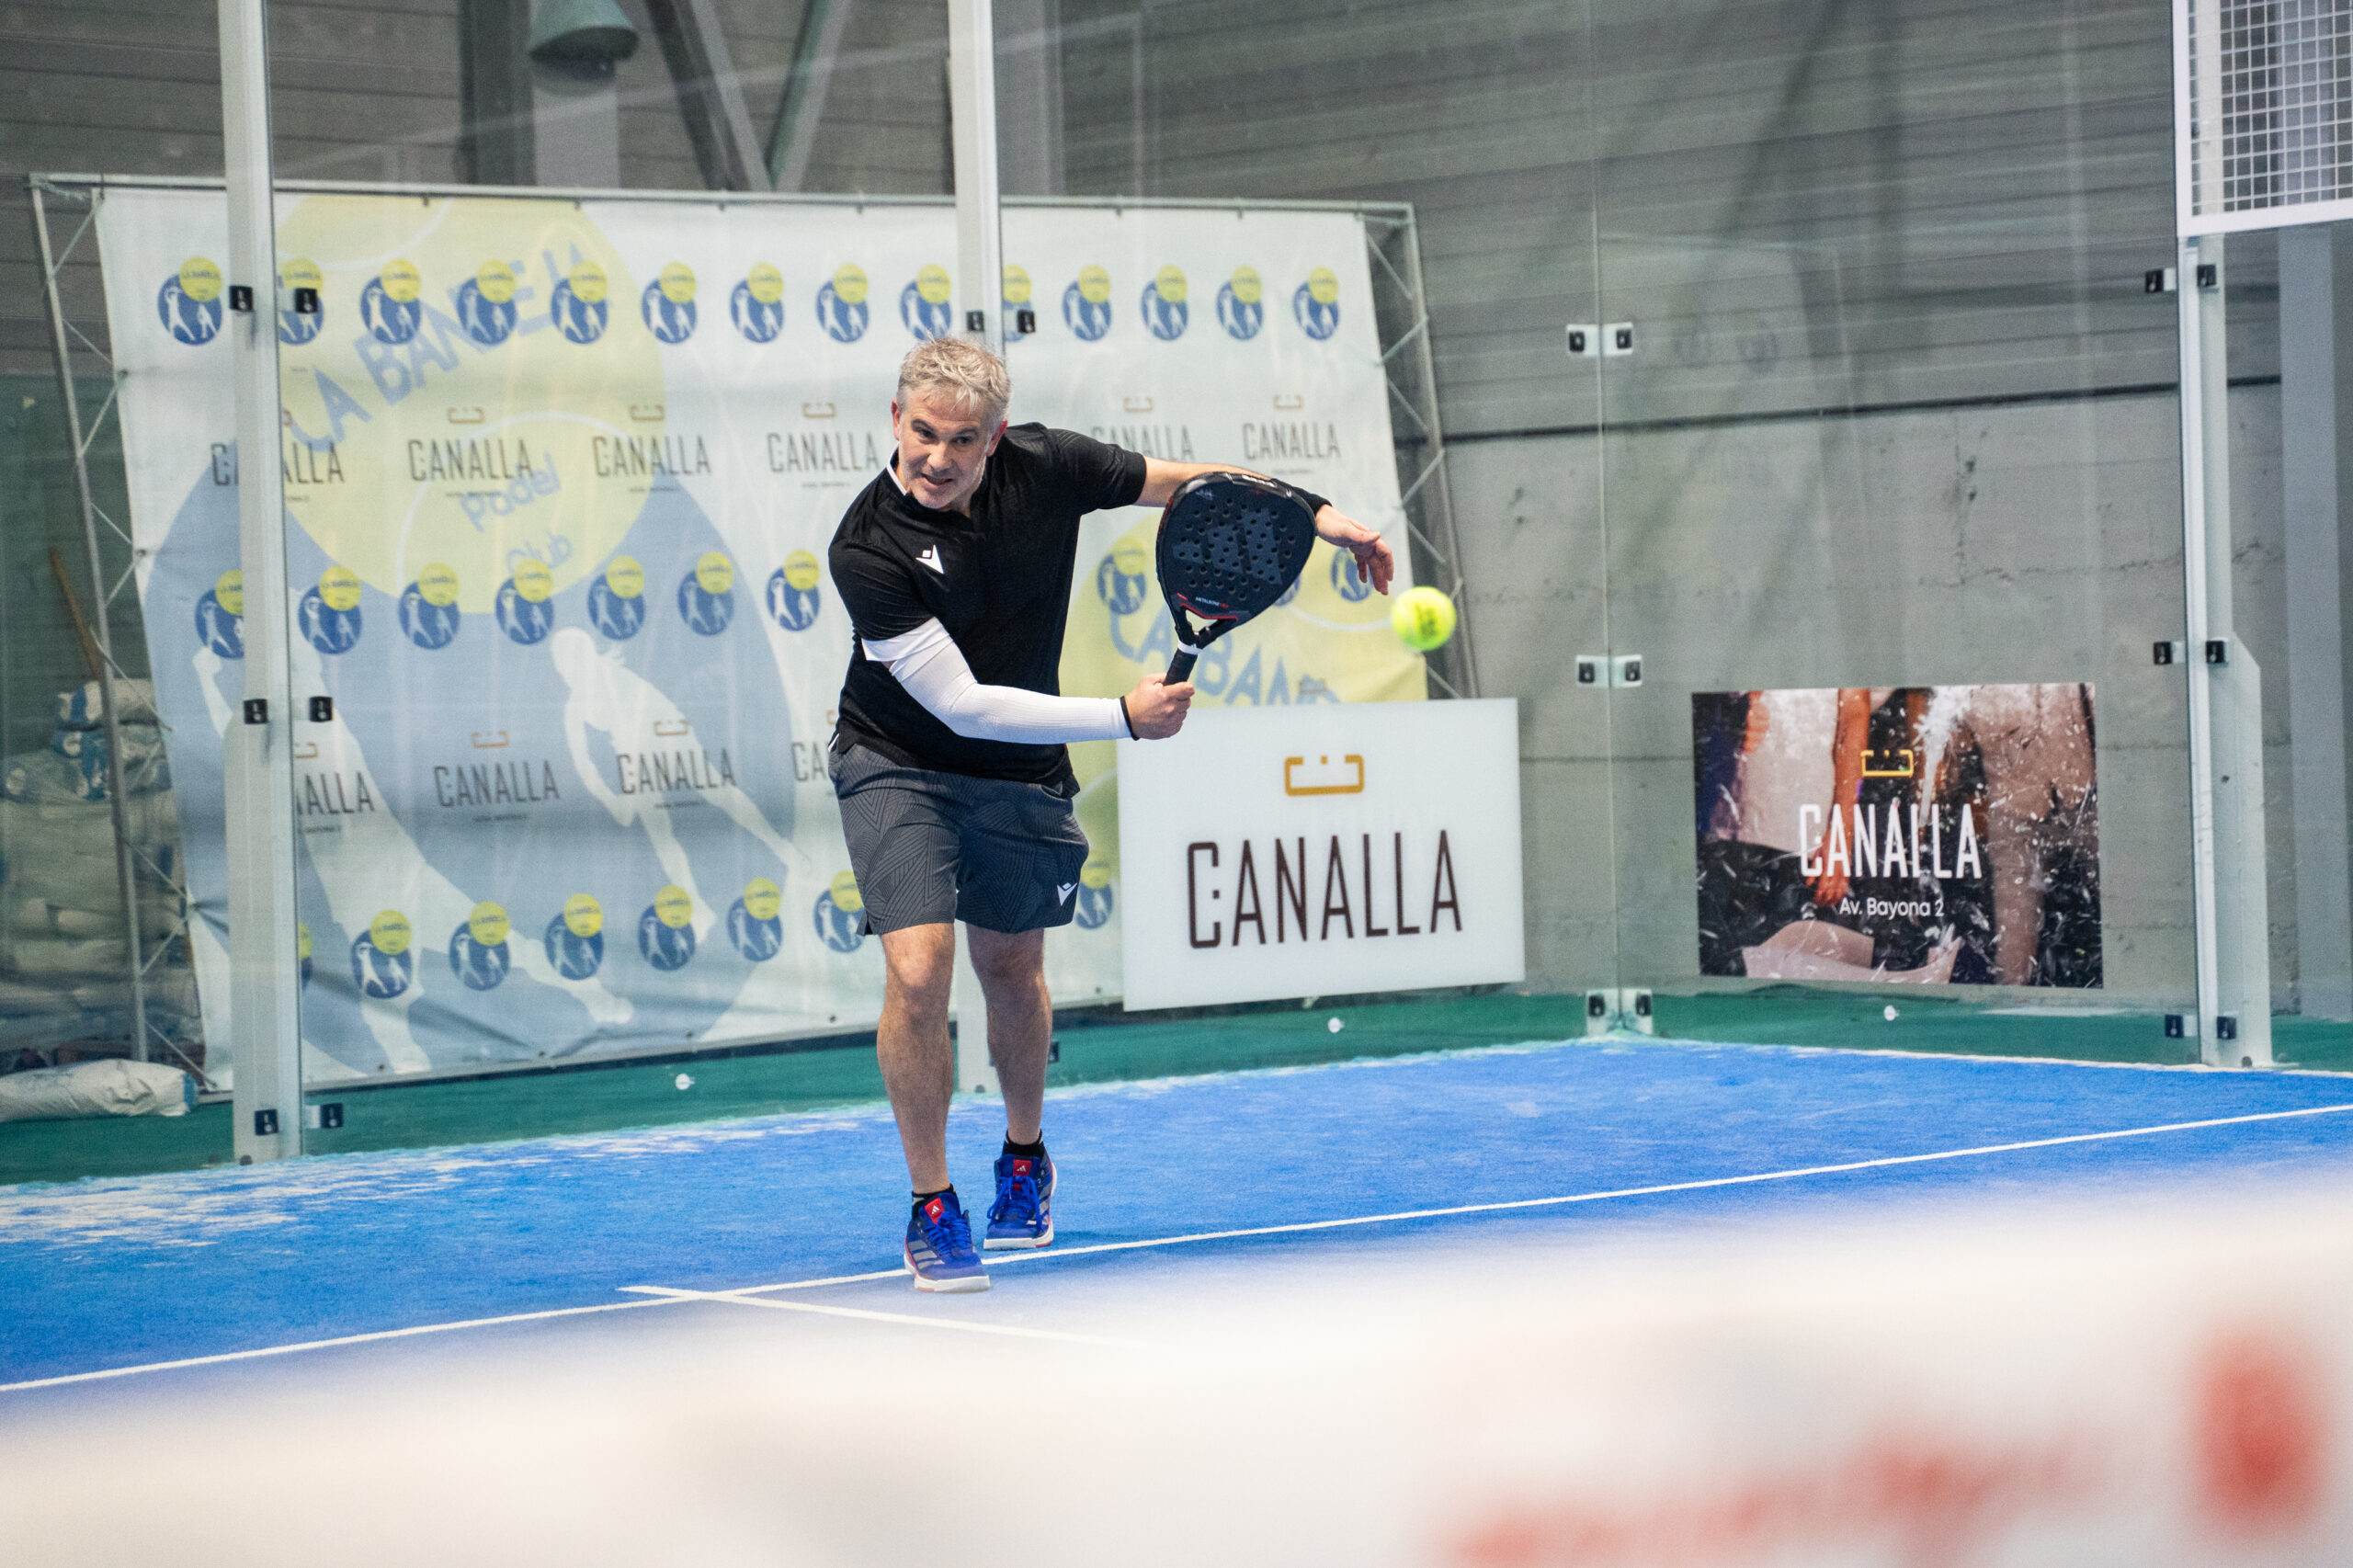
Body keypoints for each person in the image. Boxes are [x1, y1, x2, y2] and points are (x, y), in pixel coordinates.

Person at [827, 338, 1393, 1290]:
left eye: (962, 440)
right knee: (917, 972)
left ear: (996, 437)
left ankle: (1024, 1156)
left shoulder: (1047, 464)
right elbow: (960, 704)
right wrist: (1122, 719)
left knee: (1012, 971)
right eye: (922, 432)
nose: (937, 457)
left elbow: (1200, 489)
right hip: (898, 760)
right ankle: (932, 1202)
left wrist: (1325, 517)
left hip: (1020, 768)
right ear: (895, 419)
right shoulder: (868, 546)